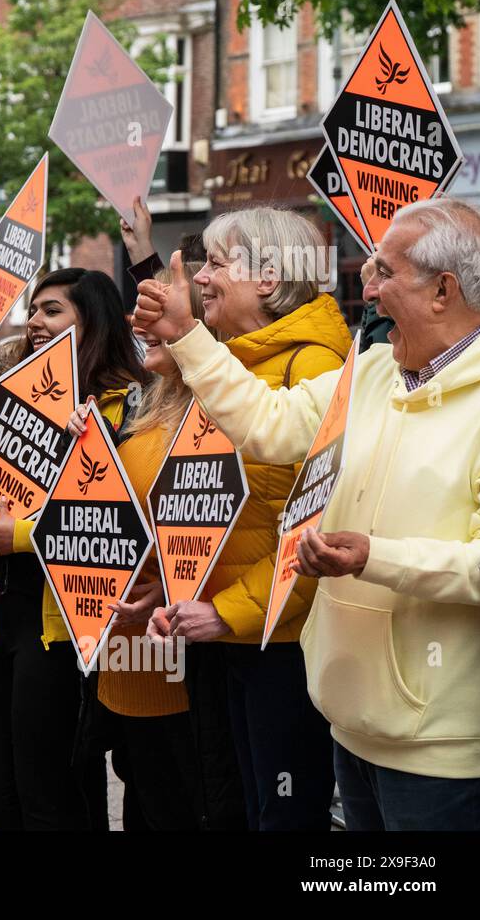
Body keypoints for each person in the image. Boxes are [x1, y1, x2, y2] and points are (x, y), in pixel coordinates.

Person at [135, 196, 480, 831]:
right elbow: (267, 425)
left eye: (383, 271)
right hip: (351, 723)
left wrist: (374, 557)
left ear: (443, 290)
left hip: (441, 749)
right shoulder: (372, 371)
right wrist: (188, 336)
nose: (365, 286)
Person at [142, 209, 351, 831]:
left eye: (216, 262)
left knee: (283, 815)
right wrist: (173, 582)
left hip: (281, 644)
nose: (202, 276)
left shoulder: (310, 366)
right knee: (233, 808)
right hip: (224, 633)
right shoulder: (233, 361)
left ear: (267, 277)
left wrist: (228, 609)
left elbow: (318, 523)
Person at [0, 268, 148, 830]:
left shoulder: (128, 405)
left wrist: (19, 536)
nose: (35, 322)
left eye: (53, 310)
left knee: (53, 787)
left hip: (64, 620)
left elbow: (115, 522)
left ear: (91, 319)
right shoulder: (13, 396)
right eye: (34, 310)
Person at [50, 263, 210, 830]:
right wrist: (85, 454)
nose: (142, 327)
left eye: (160, 318)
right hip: (126, 661)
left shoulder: (208, 411)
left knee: (172, 805)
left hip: (173, 663)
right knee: (142, 801)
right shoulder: (150, 407)